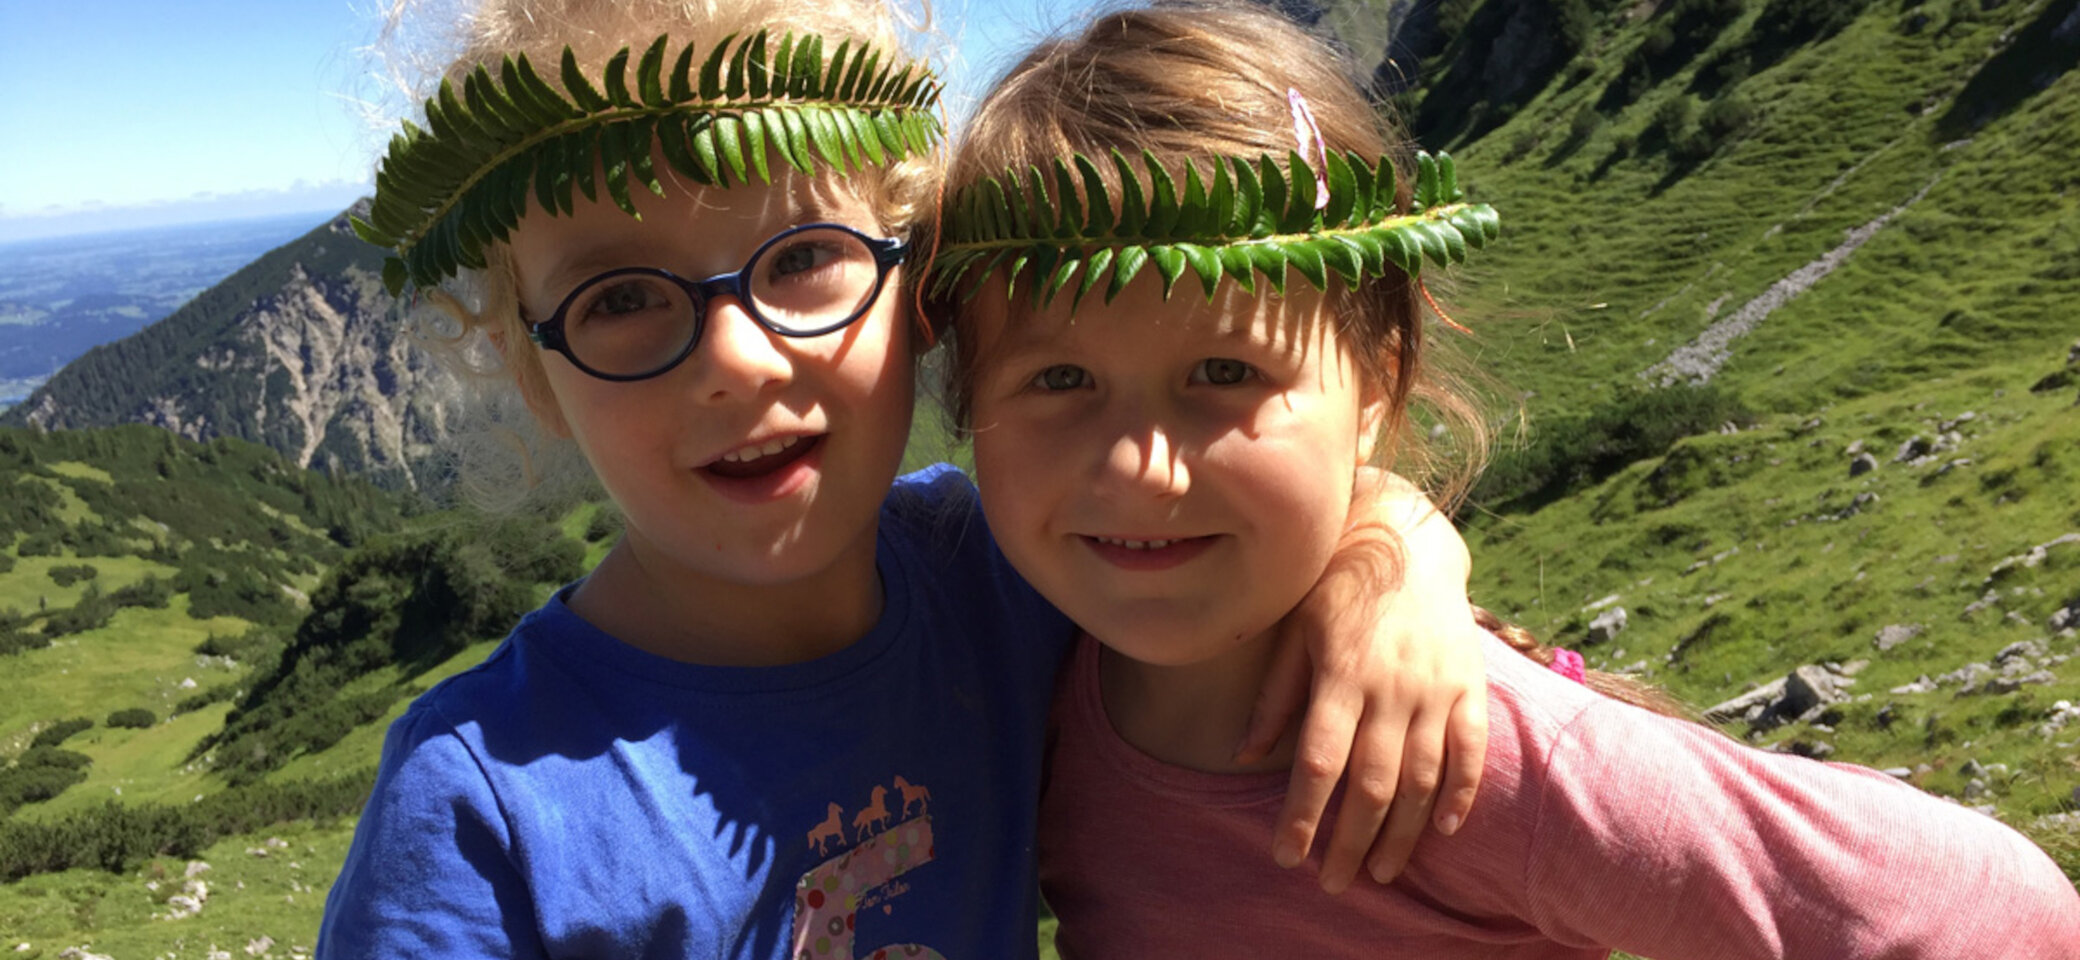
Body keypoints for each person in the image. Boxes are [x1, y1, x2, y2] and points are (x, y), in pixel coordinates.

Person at [317, 0, 1497, 956]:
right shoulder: (477, 814)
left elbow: (1248, 514)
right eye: (619, 298)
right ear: (534, 372)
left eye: (808, 258)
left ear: (919, 290)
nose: (736, 358)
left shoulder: (1003, 578)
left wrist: (1399, 565)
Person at [932, 3, 2080, 957]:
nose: (1140, 465)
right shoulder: (1036, 668)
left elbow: (1987, 911)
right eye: (1061, 377)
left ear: (1376, 389)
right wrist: (1391, 533)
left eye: (1223, 372)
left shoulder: (1467, 755)